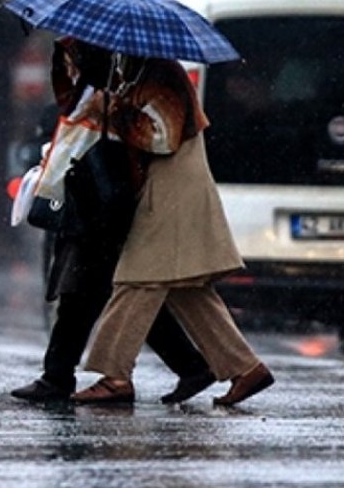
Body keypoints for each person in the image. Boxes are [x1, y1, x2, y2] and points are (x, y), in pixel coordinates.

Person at [11, 38, 216, 404]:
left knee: (86, 294)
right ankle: (189, 366)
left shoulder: (133, 80)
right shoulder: (96, 82)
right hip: (83, 196)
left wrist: (114, 111)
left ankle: (60, 376)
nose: (70, 61)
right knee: (109, 294)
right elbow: (68, 114)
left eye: (75, 52)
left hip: (101, 200)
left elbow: (156, 137)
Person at [70, 50, 273, 407]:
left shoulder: (162, 75)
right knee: (186, 286)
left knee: (137, 278)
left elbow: (162, 138)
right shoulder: (141, 73)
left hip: (172, 189)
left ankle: (114, 375)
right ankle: (245, 368)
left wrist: (113, 111)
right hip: (167, 186)